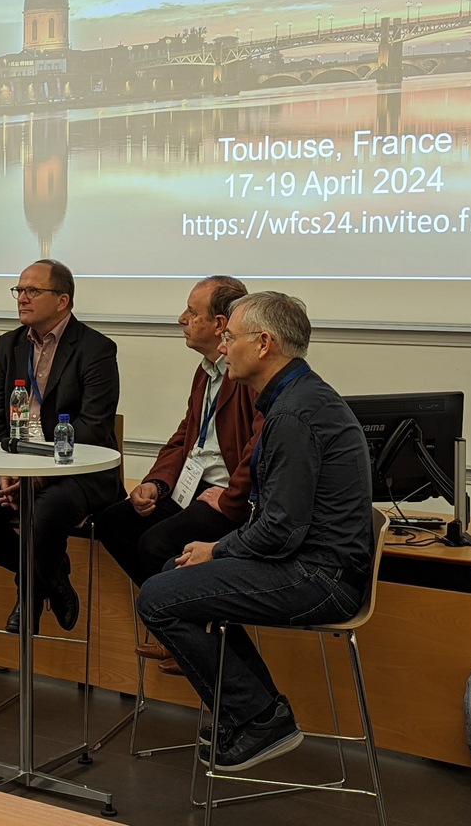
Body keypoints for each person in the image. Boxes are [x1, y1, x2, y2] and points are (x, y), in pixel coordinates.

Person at [137, 291, 374, 774]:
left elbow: (281, 531)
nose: (222, 348)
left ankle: (259, 716)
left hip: (320, 577)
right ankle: (256, 713)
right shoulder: (297, 397)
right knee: (168, 574)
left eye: (229, 337)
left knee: (158, 598)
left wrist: (219, 548)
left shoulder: (292, 414)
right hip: (313, 563)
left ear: (263, 343)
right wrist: (216, 550)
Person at [94, 276, 261, 672]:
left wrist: (232, 495)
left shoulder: (247, 373)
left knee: (155, 544)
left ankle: (185, 630)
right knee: (113, 521)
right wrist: (155, 482)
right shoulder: (206, 371)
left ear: (221, 323)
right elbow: (187, 434)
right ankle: (183, 625)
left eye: (192, 312)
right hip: (192, 487)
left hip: (228, 494)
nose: (180, 318)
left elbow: (260, 443)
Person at [0, 259, 122, 634]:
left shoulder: (96, 349)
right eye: (19, 290)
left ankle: (27, 594)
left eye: (32, 291)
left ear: (62, 300)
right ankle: (52, 574)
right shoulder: (8, 345)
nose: (22, 298)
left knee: (42, 515)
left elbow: (92, 428)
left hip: (78, 470)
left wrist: (40, 477)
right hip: (16, 463)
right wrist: (4, 469)